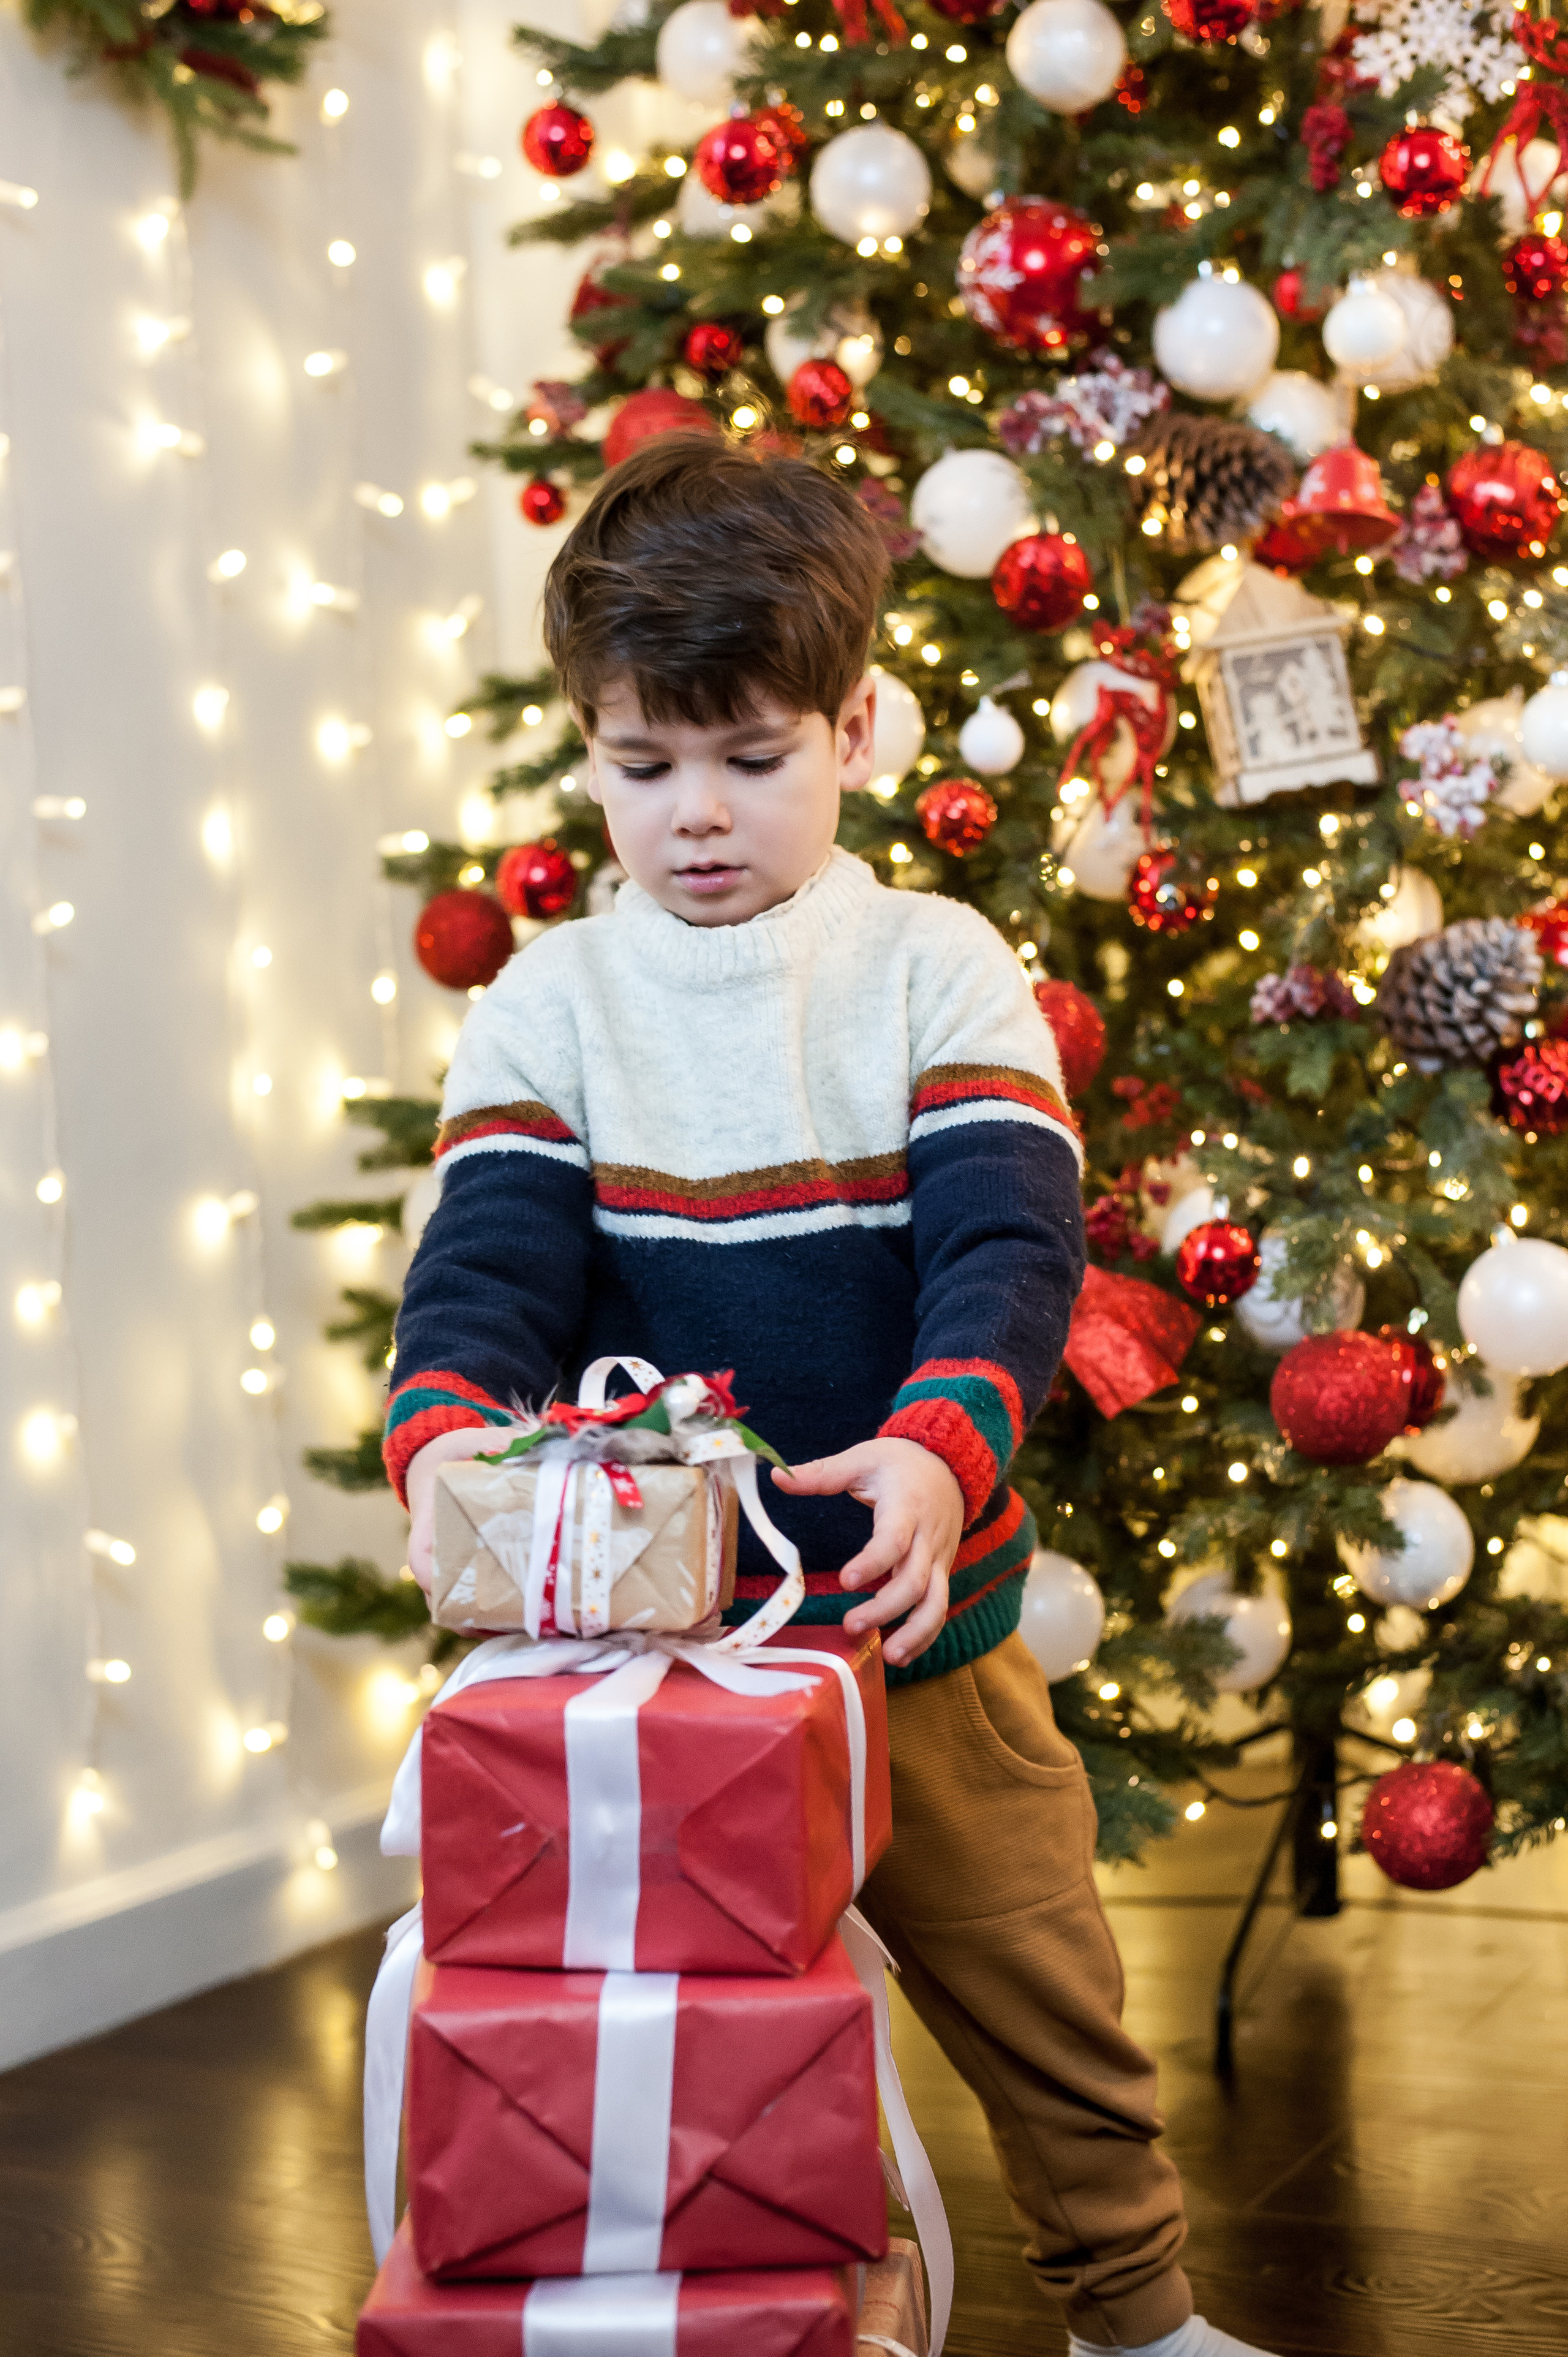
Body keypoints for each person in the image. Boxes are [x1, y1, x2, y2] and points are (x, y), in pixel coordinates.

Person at [385, 436, 1274, 2357]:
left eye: (751, 758)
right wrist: (447, 1434)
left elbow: (1008, 1254)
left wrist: (944, 1451)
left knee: (1044, 1988)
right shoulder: (549, 1008)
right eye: (642, 769)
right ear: (592, 750)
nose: (695, 814)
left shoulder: (931, 968)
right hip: (658, 1671)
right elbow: (485, 1285)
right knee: (677, 2034)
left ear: (856, 727)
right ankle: (782, 2299)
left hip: (913, 1629)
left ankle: (1139, 2314)